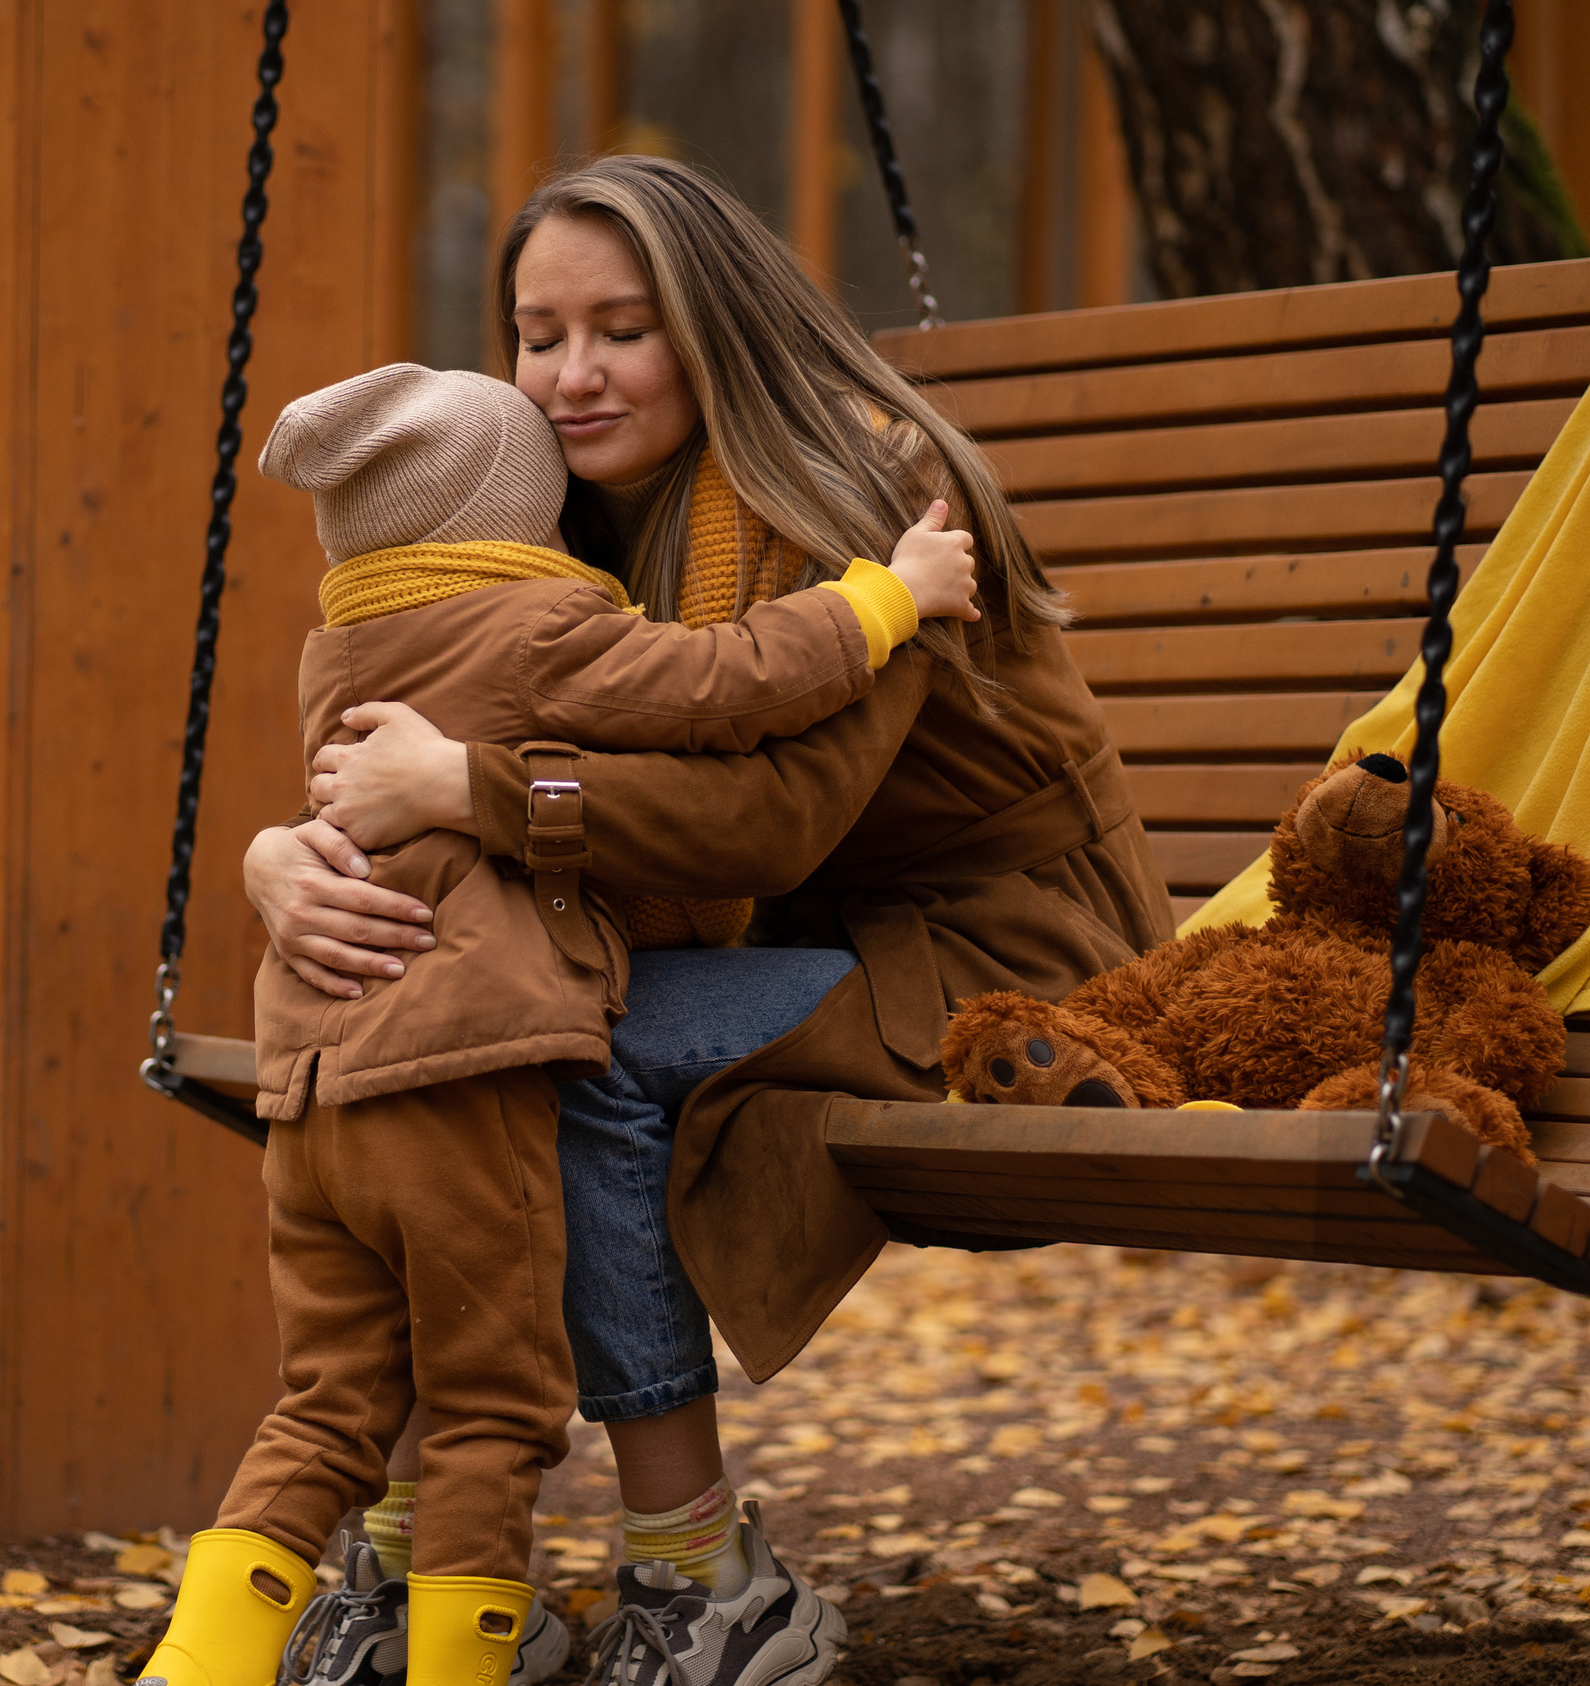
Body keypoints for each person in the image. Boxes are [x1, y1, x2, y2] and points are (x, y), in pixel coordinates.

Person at [244, 158, 1172, 1686]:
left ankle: (703, 1575)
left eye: (623, 327)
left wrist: (475, 792)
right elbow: (399, 750)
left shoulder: (865, 506)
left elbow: (774, 821)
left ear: (713, 321)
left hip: (1000, 957)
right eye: (540, 335)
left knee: (561, 1053)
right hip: (796, 951)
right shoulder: (561, 530)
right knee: (429, 1041)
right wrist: (283, 859)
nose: (573, 373)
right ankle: (427, 1554)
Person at [140, 359, 978, 1686]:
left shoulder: (346, 643)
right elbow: (730, 683)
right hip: (459, 1084)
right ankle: (465, 1656)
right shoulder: (536, 629)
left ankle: (201, 1666)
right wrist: (888, 595)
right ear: (512, 512)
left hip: (320, 1086)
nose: (573, 365)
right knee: (489, 1406)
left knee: (319, 1412)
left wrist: (276, 849)